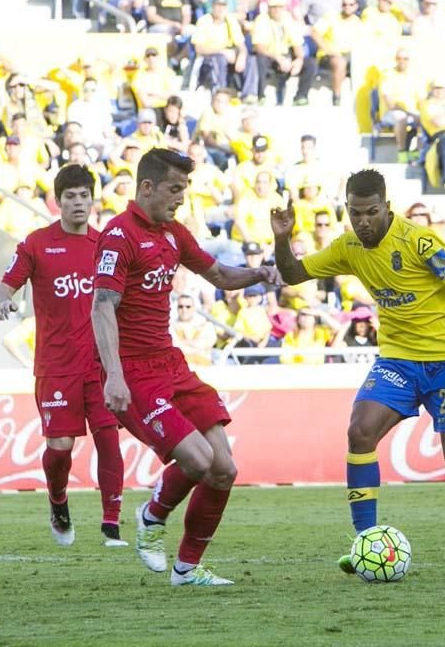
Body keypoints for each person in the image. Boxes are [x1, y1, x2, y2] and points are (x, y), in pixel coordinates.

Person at [270, 168, 445, 573]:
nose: (363, 221)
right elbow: (293, 274)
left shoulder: (419, 241)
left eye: (371, 212)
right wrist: (282, 238)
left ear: (386, 208)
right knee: (360, 431)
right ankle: (364, 542)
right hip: (399, 361)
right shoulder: (348, 246)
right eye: (355, 213)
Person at [91, 148, 279, 586]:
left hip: (171, 364)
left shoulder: (174, 233)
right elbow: (102, 307)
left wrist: (259, 273)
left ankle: (187, 569)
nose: (181, 198)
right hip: (134, 372)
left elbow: (219, 275)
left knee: (225, 468)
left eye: (185, 189)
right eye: (175, 189)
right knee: (197, 460)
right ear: (147, 188)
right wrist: (114, 375)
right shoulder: (119, 236)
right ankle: (151, 516)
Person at [0, 164, 127, 548]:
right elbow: (6, 285)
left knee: (108, 440)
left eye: (84, 195)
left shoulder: (105, 246)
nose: (78, 203)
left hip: (99, 365)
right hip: (56, 367)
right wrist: (4, 302)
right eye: (70, 196)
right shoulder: (37, 243)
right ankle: (58, 500)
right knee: (60, 449)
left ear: (93, 199)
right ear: (58, 201)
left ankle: (111, 525)